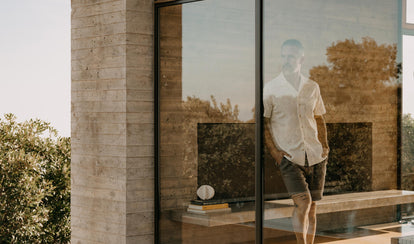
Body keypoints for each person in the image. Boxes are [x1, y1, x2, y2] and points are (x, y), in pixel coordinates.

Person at [263, 39, 329, 244]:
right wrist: (274, 152)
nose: (286, 60)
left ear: (301, 58)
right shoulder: (271, 87)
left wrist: (325, 145)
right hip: (290, 157)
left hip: (316, 155)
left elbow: (319, 117)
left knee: (313, 207)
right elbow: (263, 123)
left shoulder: (312, 86)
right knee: (303, 203)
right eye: (283, 55)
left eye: (290, 56)